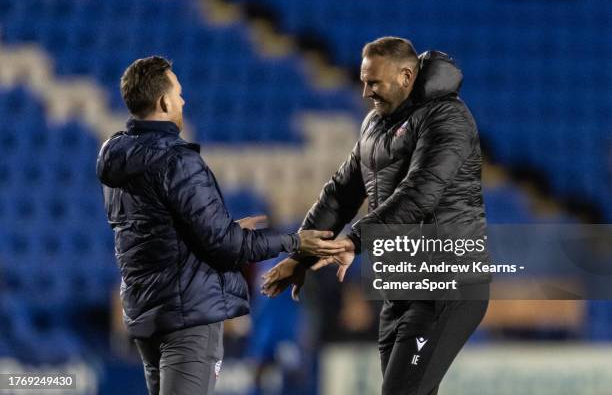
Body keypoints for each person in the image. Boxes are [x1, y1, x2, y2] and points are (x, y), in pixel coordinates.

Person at [96, 56, 345, 395]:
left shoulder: (116, 157)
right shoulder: (178, 160)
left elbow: (155, 232)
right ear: (164, 101)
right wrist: (295, 242)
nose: (183, 101)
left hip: (147, 311)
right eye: (179, 94)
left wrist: (219, 230)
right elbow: (227, 247)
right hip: (187, 316)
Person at [262, 37, 490, 395]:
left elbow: (420, 193)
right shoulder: (373, 125)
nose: (366, 91)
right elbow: (341, 193)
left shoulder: (448, 118)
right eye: (363, 80)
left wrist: (355, 239)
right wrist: (302, 257)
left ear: (405, 76)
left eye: (374, 82)